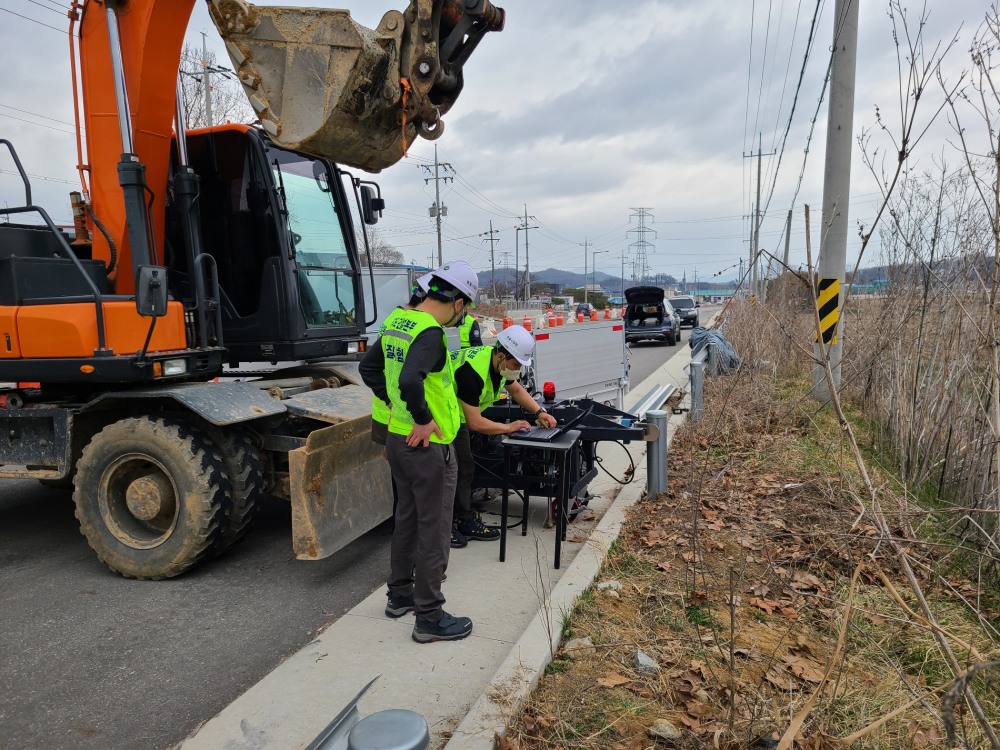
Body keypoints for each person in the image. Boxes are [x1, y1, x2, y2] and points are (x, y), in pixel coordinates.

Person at [359, 260, 478, 644]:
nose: (464, 317)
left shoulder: (399, 321)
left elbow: (369, 368)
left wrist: (395, 407)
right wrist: (422, 418)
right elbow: (410, 379)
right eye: (466, 309)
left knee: (407, 517)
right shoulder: (431, 333)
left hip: (398, 439)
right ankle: (429, 615)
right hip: (429, 444)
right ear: (458, 302)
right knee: (435, 528)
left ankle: (399, 595)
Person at [450, 325, 558, 547]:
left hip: (457, 414)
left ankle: (462, 517)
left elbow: (516, 389)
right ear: (501, 356)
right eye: (515, 365)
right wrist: (509, 428)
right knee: (461, 468)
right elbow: (475, 422)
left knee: (466, 467)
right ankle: (459, 522)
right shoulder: (472, 372)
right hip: (442, 414)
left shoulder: (498, 365)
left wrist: (539, 412)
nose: (516, 371)